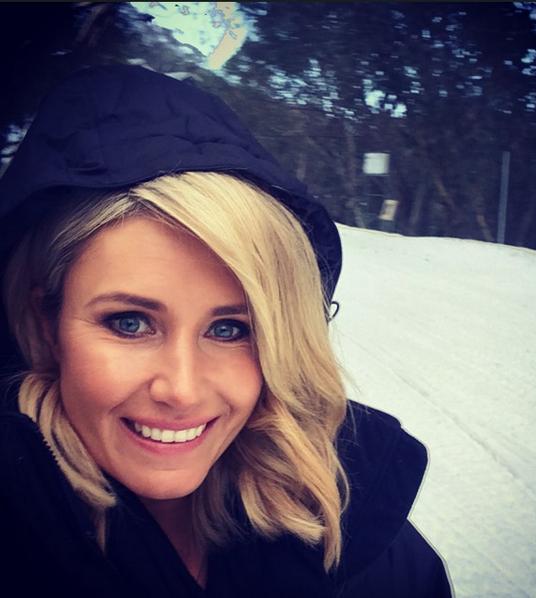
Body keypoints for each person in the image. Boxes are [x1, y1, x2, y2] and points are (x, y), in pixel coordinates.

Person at [0, 65, 452, 597]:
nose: (182, 390)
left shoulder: (361, 540)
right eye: (130, 323)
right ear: (46, 322)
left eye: (231, 329)